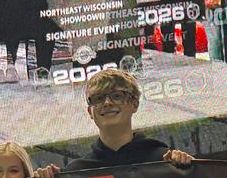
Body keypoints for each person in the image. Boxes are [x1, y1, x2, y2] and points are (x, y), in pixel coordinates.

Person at [62, 69, 193, 171]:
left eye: (117, 96)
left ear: (135, 104)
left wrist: (191, 168)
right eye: (98, 98)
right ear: (90, 111)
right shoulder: (75, 173)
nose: (107, 103)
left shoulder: (165, 162)